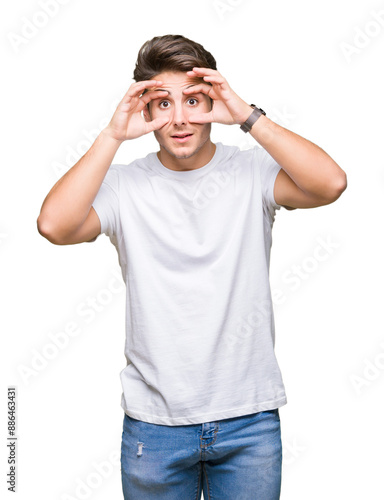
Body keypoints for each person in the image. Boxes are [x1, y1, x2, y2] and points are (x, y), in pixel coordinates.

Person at [37, 34, 347, 500]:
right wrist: (111, 136)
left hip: (248, 420)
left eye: (194, 100)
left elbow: (331, 184)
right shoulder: (124, 187)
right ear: (145, 111)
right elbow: (54, 226)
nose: (180, 118)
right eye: (162, 104)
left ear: (213, 102)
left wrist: (247, 116)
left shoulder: (253, 172)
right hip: (155, 427)